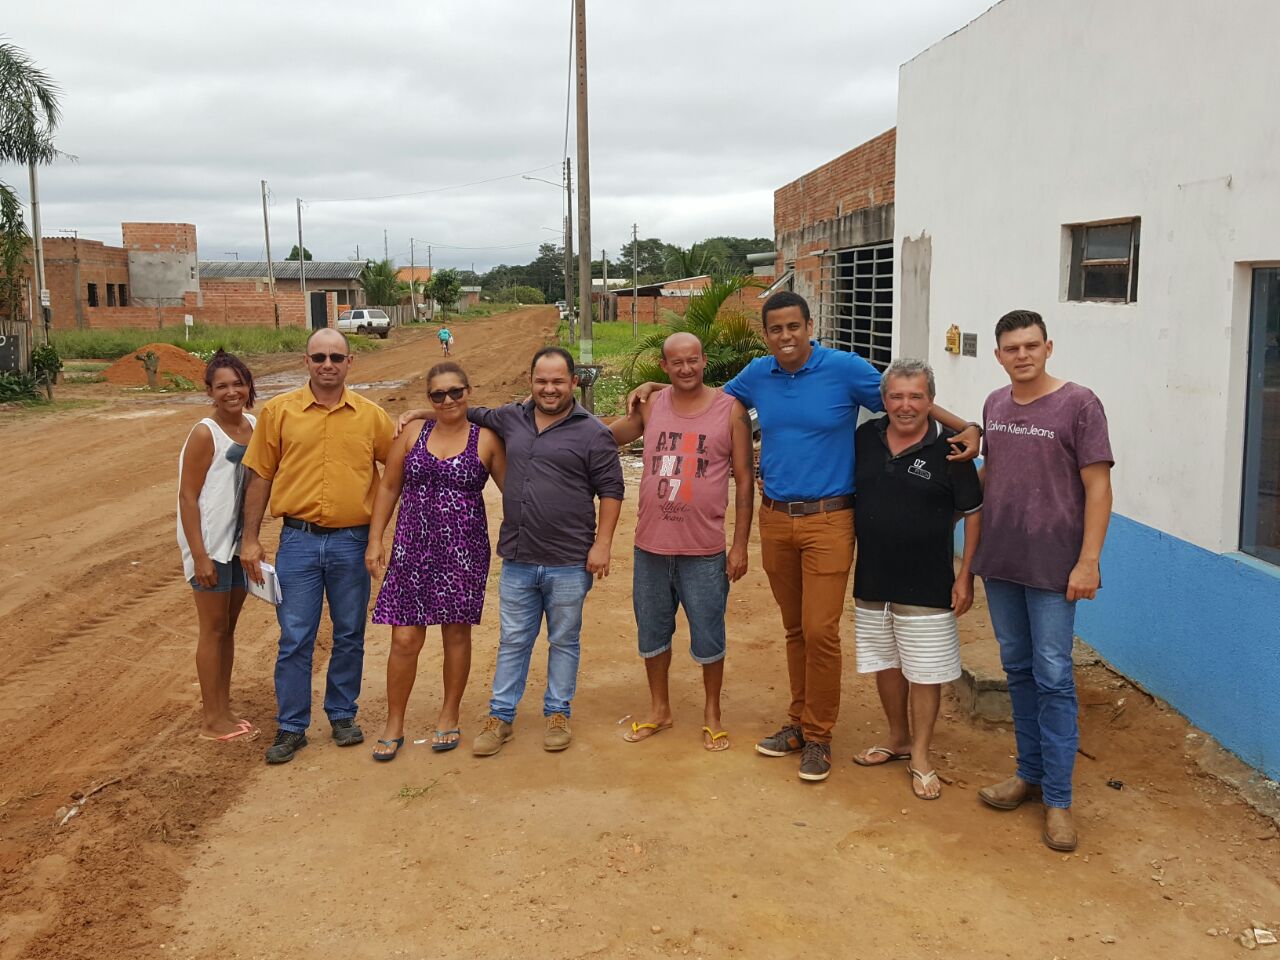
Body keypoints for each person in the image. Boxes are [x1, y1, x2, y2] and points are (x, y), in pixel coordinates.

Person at [628, 291, 981, 782]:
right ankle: (797, 721)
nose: (786, 336)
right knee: (795, 630)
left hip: (830, 519)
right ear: (766, 334)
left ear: (809, 326)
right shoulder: (757, 375)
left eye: (794, 326)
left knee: (820, 631)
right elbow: (701, 393)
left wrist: (967, 426)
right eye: (776, 329)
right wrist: (654, 386)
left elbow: (906, 396)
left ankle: (818, 734)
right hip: (775, 518)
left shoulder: (844, 369)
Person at [399, 346, 624, 755]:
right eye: (542, 381)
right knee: (514, 640)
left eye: (558, 381)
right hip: (519, 557)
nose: (549, 389)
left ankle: (558, 712)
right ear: (530, 381)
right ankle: (500, 716)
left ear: (573, 382)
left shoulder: (594, 433)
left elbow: (611, 491)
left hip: (571, 559)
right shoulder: (510, 418)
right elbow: (460, 409)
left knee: (565, 640)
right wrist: (421, 414)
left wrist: (603, 544)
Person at [973, 309, 1113, 852]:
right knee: (1018, 670)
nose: (1022, 355)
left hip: (1055, 566)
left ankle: (1058, 800)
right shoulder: (995, 405)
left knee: (1054, 677)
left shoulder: (1080, 404)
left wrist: (1089, 560)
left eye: (1031, 345)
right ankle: (1028, 775)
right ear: (999, 354)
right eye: (1012, 348)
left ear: (1048, 348)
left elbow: (1098, 490)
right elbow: (998, 473)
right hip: (1002, 561)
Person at [241, 328, 395, 765]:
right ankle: (291, 726)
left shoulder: (370, 416)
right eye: (319, 357)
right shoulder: (279, 412)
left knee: (349, 634)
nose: (328, 365)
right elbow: (260, 476)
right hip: (298, 542)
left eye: (336, 357)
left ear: (351, 363)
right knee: (295, 637)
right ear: (305, 361)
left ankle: (343, 715)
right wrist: (250, 539)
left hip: (353, 542)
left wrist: (381, 536)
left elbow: (396, 468)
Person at [609, 332, 754, 752]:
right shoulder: (652, 404)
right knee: (652, 631)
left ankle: (712, 713)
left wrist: (739, 545)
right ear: (665, 365)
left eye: (693, 360)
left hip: (704, 550)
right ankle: (660, 710)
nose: (686, 368)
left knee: (709, 634)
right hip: (650, 546)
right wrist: (557, 424)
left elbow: (744, 481)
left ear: (704, 360)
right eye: (677, 362)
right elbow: (611, 436)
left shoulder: (731, 411)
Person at [849, 358, 982, 800]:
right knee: (885, 663)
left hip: (927, 580)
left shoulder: (952, 450)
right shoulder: (864, 439)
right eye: (897, 396)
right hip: (873, 576)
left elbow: (974, 514)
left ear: (931, 401)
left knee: (926, 670)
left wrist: (965, 575)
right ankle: (897, 739)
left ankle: (922, 754)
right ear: (884, 400)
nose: (906, 406)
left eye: (916, 396)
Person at [365, 362, 506, 760]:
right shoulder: (412, 432)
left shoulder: (487, 439)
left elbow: (514, 494)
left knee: (456, 635)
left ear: (468, 391)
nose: (448, 400)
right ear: (429, 399)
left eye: (456, 392)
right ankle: (394, 722)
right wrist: (376, 539)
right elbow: (390, 485)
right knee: (405, 637)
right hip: (411, 548)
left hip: (463, 552)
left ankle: (449, 714)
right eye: (438, 395)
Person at [177, 350, 259, 742]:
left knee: (228, 628)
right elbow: (187, 497)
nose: (232, 391)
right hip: (210, 547)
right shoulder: (205, 433)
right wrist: (199, 556)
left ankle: (223, 707)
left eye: (238, 383)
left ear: (248, 386)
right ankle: (212, 720)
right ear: (209, 391)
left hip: (238, 546)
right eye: (222, 385)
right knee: (211, 629)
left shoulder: (255, 426)